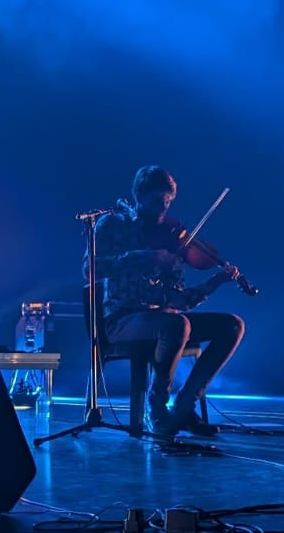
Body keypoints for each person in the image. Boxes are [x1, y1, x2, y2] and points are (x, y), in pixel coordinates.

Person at [87, 165, 245, 437]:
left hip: (164, 319)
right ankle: (156, 410)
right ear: (139, 195)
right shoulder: (111, 224)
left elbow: (179, 300)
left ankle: (184, 407)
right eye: (158, 201)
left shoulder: (170, 237)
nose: (163, 210)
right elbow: (91, 270)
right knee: (175, 325)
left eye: (169, 202)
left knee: (232, 325)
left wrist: (216, 282)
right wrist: (143, 257)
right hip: (122, 318)